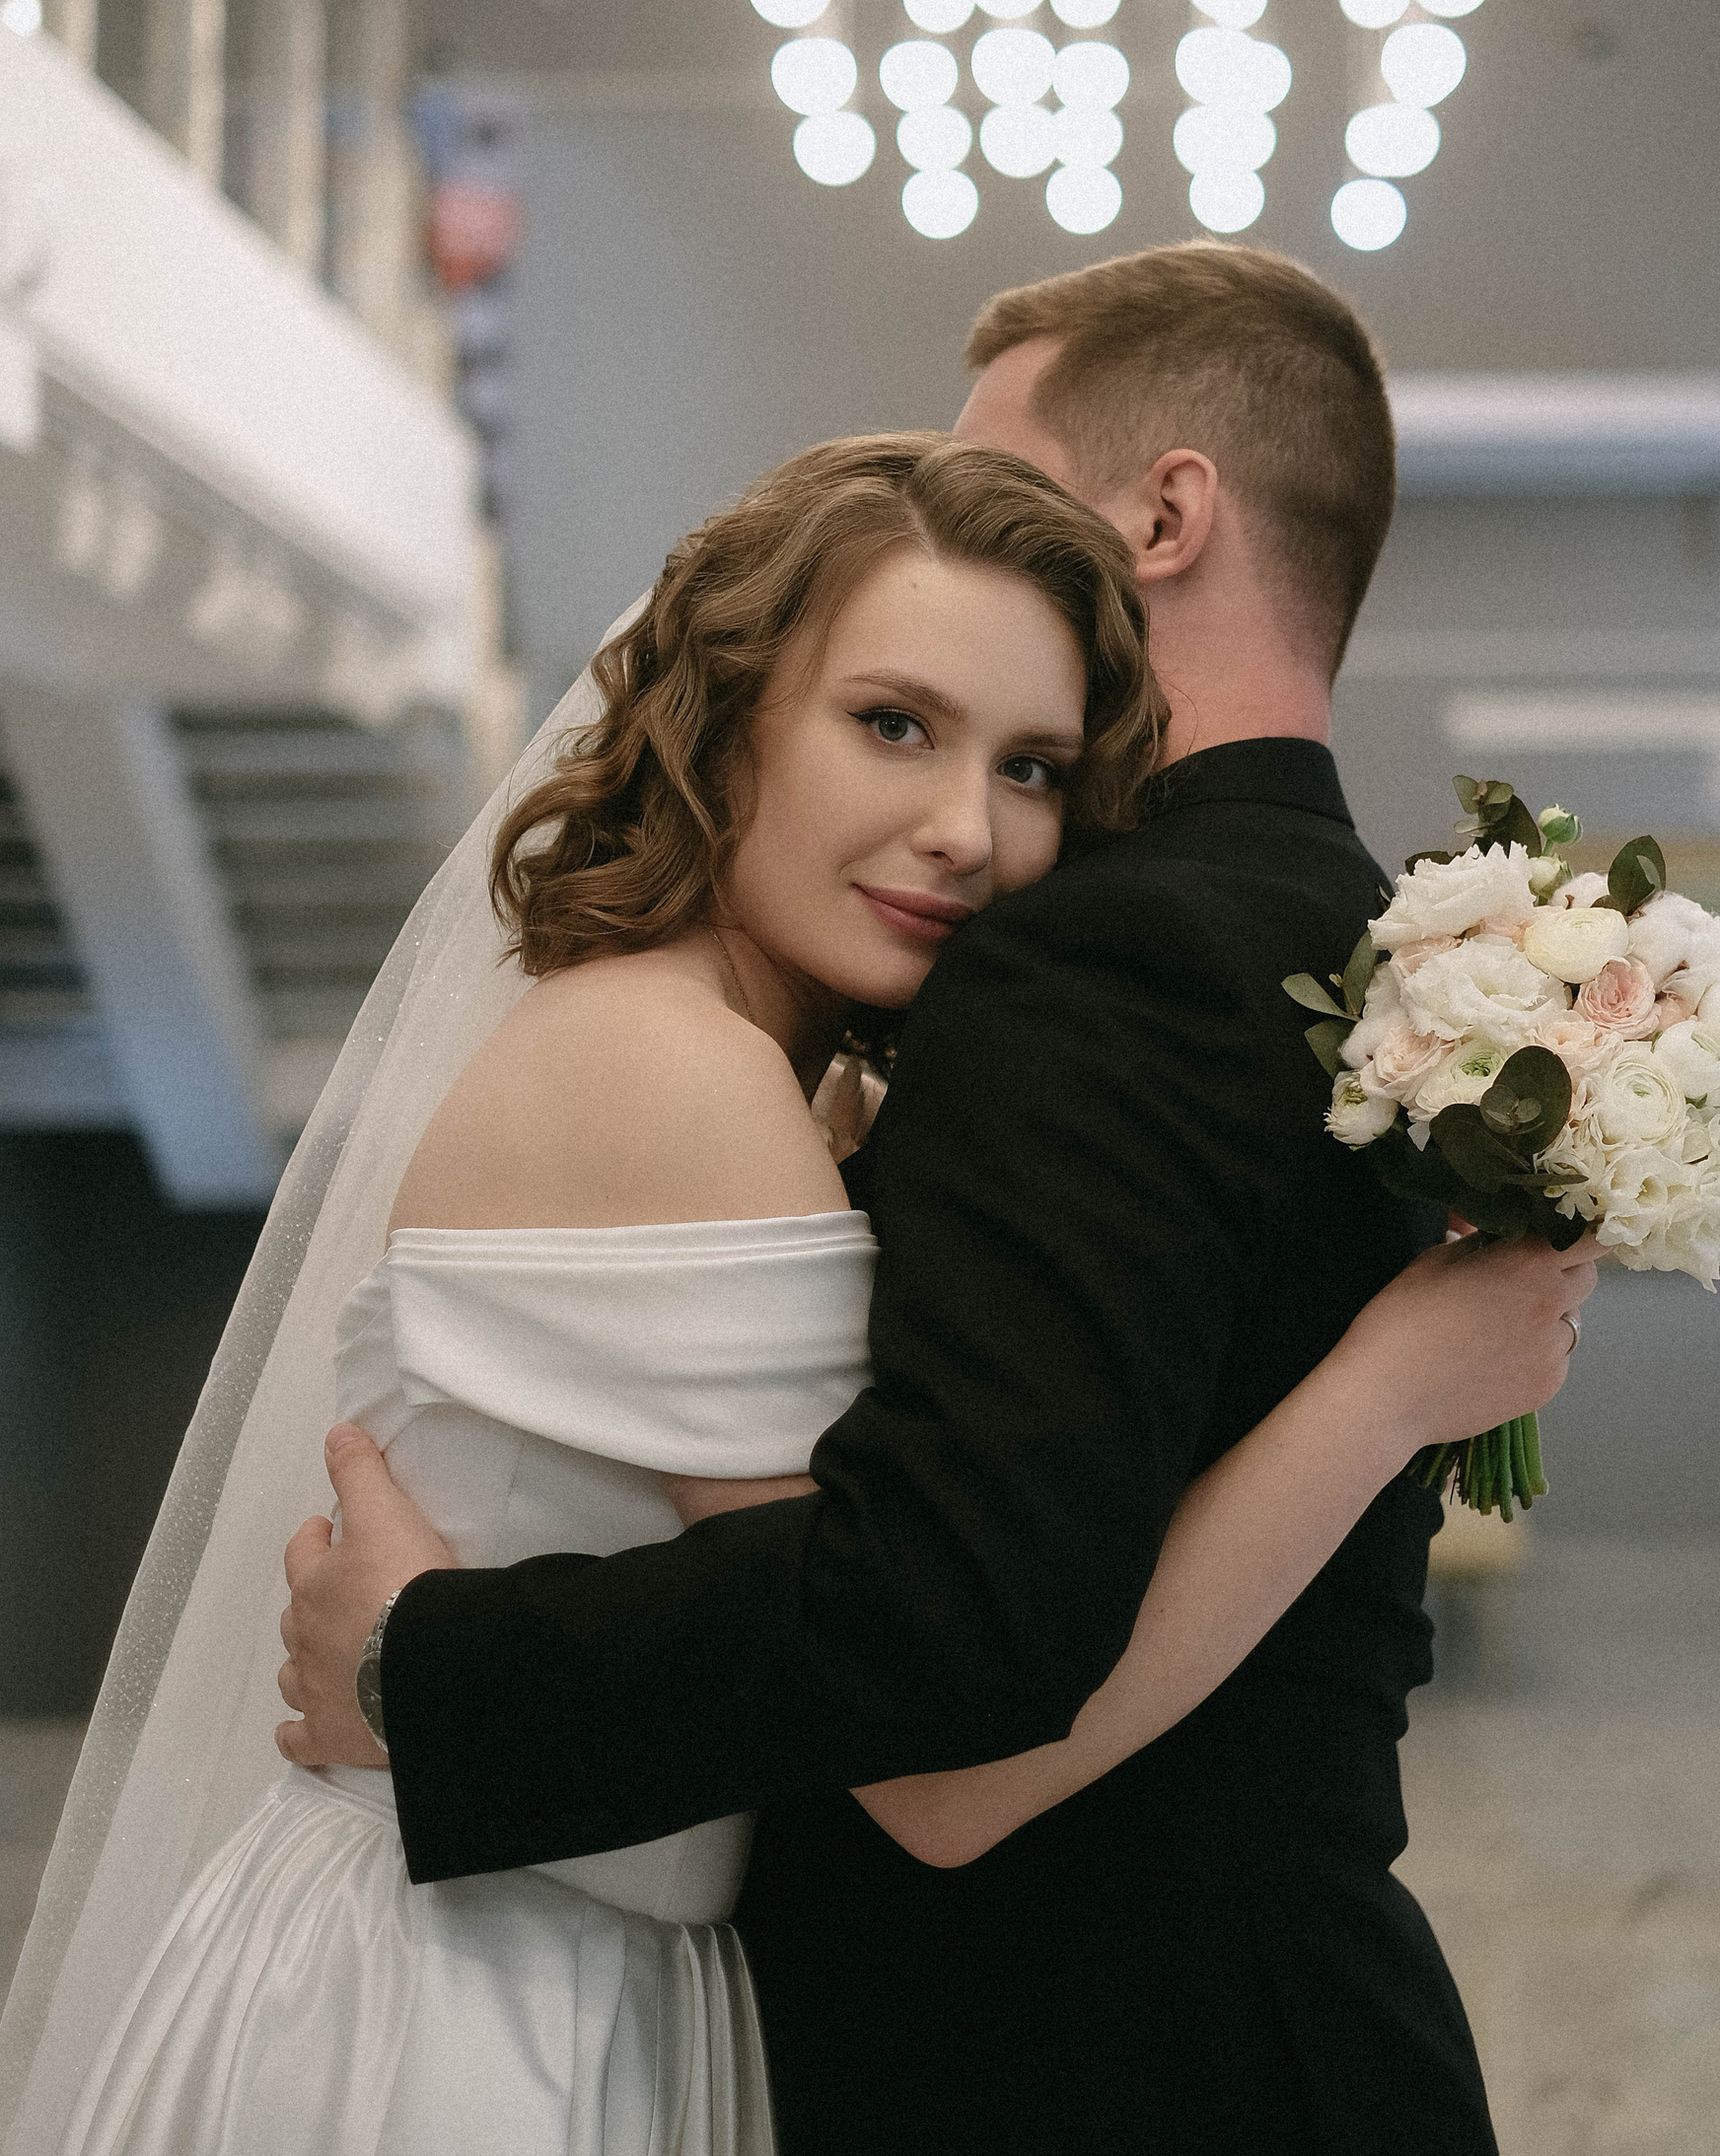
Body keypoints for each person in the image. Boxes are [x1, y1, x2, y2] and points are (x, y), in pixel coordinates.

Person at [0, 418, 1592, 2156]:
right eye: (892, 723)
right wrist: (1385, 1388)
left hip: (571, 1951)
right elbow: (938, 1756)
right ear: (725, 716)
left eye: (1032, 767)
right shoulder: (673, 1071)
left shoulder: (772, 1076)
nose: (966, 829)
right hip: (478, 2002)